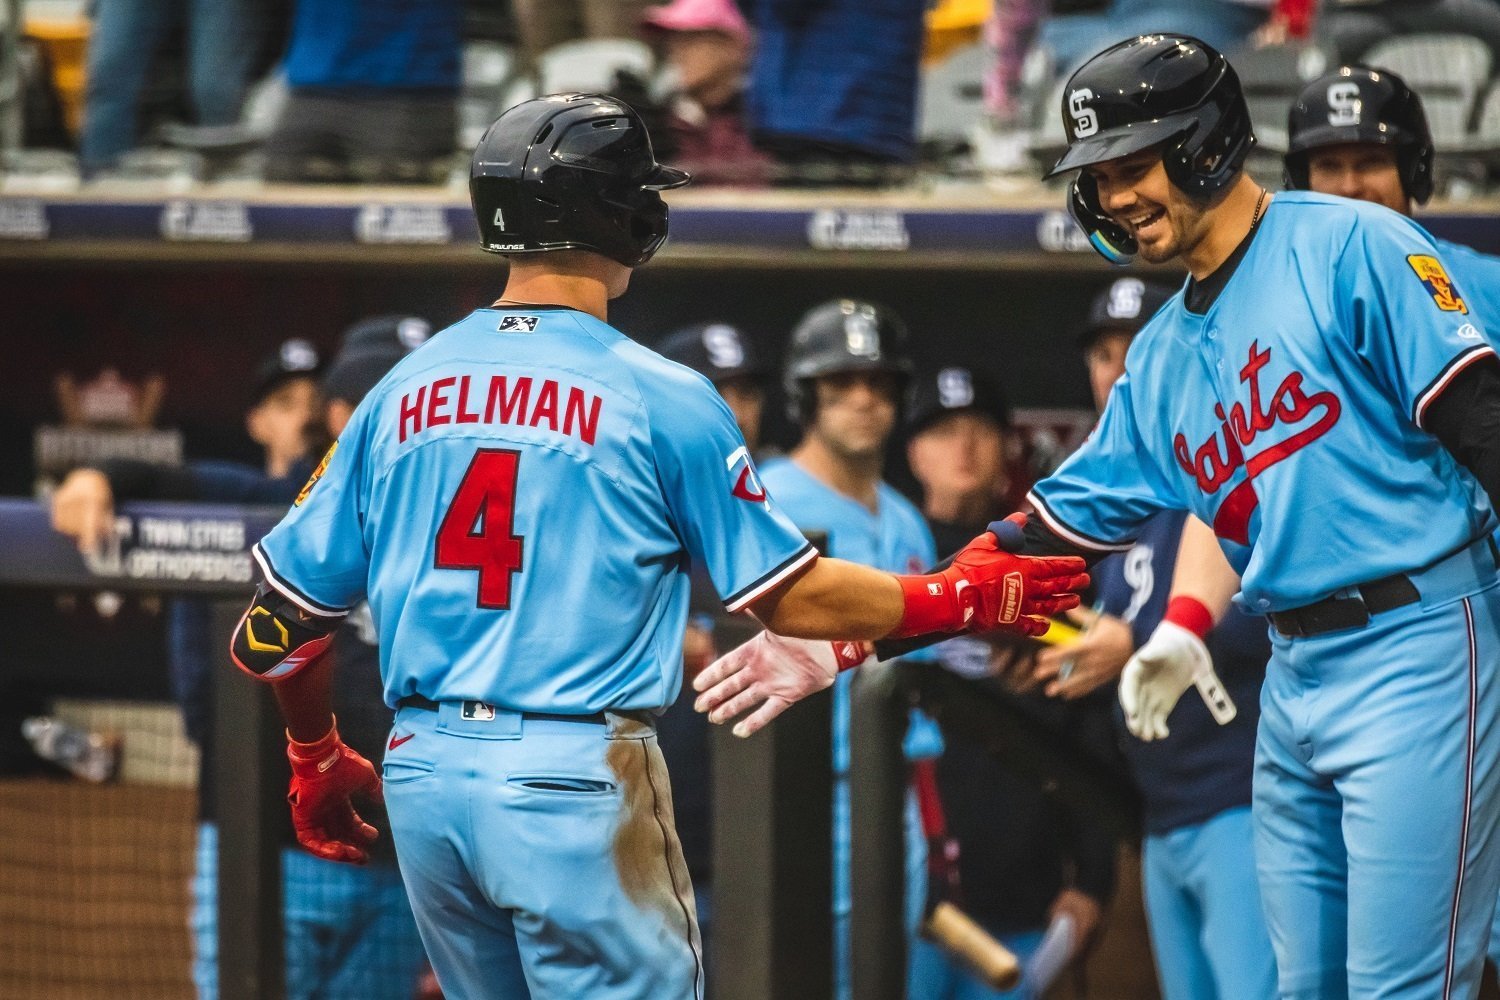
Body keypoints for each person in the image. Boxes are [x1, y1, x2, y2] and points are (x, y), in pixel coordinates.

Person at [224, 93, 1087, 1000]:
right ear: (612, 212)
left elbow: (278, 625)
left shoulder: (402, 389)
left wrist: (314, 754)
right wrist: (961, 598)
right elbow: (790, 599)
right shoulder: (658, 393)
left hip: (425, 778)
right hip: (571, 781)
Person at [697, 34, 1500, 1000]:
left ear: (1205, 144)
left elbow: (1484, 424)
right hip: (1295, 672)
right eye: (1098, 177)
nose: (1111, 197)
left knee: (1407, 988)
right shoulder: (1159, 359)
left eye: (1131, 166)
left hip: (1419, 638)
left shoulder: (1349, 244)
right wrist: (856, 641)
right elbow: (1038, 541)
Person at [48, 330, 434, 1000]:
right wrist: (93, 478)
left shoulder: (444, 524)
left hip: (398, 857)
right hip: (266, 844)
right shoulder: (267, 500)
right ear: (341, 415)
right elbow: (157, 479)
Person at [1031, 280, 1278, 1000]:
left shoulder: (1238, 455)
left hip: (1245, 797)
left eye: (1137, 346)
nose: (1118, 368)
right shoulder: (1109, 496)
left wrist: (1134, 640)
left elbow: (1284, 611)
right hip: (1161, 813)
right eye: (1103, 353)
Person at [902, 364, 1115, 1000]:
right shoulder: (884, 556)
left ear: (1006, 447)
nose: (963, 447)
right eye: (942, 431)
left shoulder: (1043, 562)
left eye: (980, 430)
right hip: (901, 891)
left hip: (1026, 897)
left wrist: (1094, 877)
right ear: (912, 452)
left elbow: (1089, 716)